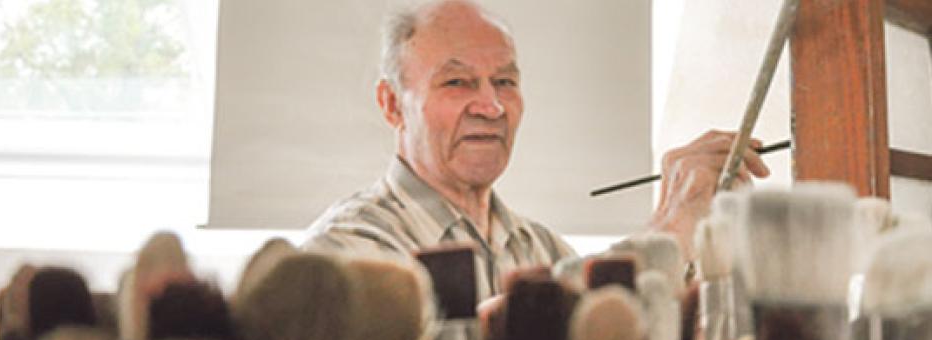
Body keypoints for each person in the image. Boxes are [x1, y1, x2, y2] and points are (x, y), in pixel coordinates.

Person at [301, 0, 770, 298]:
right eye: (457, 82)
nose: (490, 106)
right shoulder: (347, 250)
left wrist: (693, 241)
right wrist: (665, 235)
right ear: (391, 104)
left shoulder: (542, 248)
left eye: (505, 82)